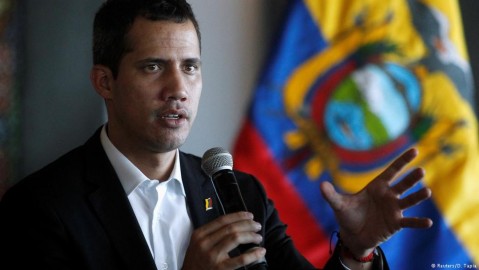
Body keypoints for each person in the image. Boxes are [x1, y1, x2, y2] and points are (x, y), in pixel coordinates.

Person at [0, 0, 433, 269]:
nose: (178, 90)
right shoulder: (38, 208)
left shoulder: (240, 193)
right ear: (104, 82)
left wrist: (355, 254)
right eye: (153, 67)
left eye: (190, 67)